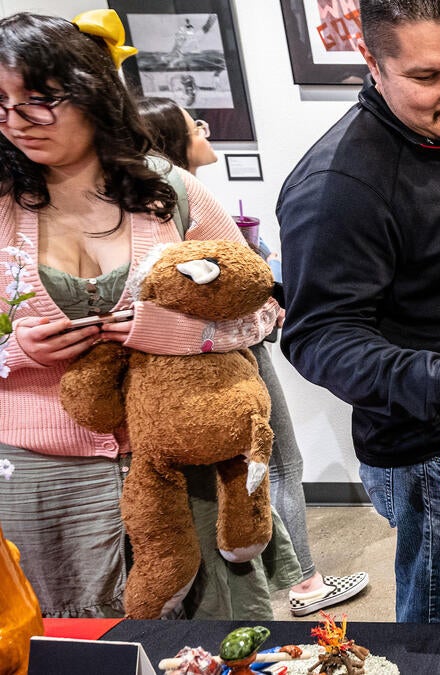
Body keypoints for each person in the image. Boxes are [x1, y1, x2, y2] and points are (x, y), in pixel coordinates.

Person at [0, 11, 293, 618]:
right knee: (67, 633)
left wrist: (187, 333)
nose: (15, 121)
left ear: (91, 92)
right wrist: (15, 348)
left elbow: (264, 306)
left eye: (37, 100)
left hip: (183, 454)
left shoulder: (170, 192)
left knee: (208, 630)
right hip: (40, 472)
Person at [277, 0, 440, 625]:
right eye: (427, 78)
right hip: (434, 452)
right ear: (372, 62)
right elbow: (318, 336)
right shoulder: (340, 182)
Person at [137, 95, 369, 616]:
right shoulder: (178, 203)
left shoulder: (180, 204)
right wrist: (268, 305)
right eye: (188, 123)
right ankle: (305, 583)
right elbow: (236, 301)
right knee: (278, 463)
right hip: (234, 360)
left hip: (212, 368)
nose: (202, 126)